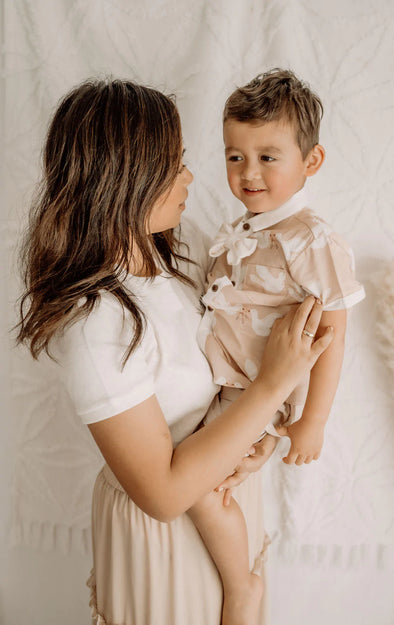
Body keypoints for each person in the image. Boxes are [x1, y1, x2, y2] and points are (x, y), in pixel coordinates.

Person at [16, 78, 333, 625]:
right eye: (173, 166)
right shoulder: (97, 324)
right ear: (127, 179)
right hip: (166, 538)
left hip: (222, 506)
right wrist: (271, 386)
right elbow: (162, 495)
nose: (189, 177)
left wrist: (257, 439)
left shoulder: (175, 256)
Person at [189, 68, 366, 624]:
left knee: (197, 486)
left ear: (311, 161)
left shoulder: (309, 238)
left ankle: (241, 586)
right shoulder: (247, 228)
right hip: (226, 387)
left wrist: (312, 420)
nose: (249, 172)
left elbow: (333, 334)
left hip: (257, 395)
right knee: (198, 475)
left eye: (268, 157)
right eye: (235, 156)